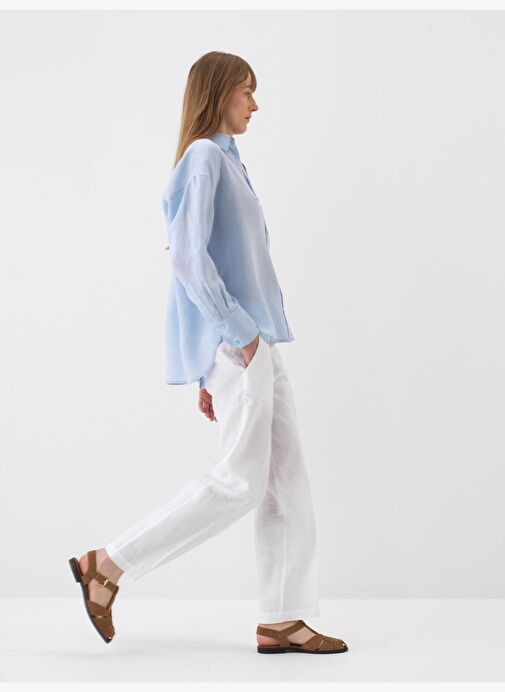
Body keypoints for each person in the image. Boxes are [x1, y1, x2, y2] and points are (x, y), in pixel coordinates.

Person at [69, 51, 348, 655]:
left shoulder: (228, 161)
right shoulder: (203, 158)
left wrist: (229, 351)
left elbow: (219, 260)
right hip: (242, 343)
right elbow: (189, 260)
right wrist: (234, 337)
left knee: (285, 485)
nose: (255, 104)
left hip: (254, 344)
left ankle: (282, 618)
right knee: (240, 481)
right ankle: (107, 564)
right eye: (247, 91)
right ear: (220, 92)